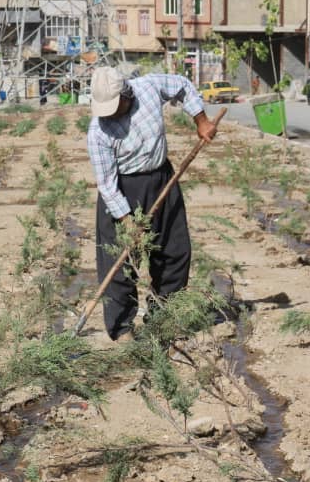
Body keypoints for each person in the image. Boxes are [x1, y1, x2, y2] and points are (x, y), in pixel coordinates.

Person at [87, 67, 217, 341]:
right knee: (120, 261)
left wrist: (201, 120)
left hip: (161, 179)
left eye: (113, 106)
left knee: (173, 251)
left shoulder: (148, 87)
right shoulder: (98, 132)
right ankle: (122, 328)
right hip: (123, 188)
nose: (108, 114)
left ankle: (162, 318)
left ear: (126, 94)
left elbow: (182, 86)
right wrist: (128, 220)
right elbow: (107, 185)